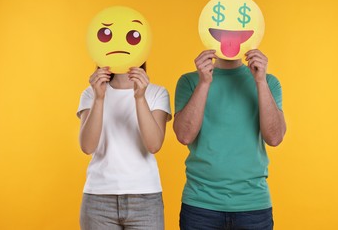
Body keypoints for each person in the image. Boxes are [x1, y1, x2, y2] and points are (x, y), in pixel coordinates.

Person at [173, 49, 286, 230]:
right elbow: (184, 135)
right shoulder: (189, 81)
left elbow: (274, 137)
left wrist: (260, 82)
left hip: (253, 205)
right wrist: (204, 83)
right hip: (200, 205)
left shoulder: (269, 82)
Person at [77, 63, 171, 230]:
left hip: (145, 198)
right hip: (98, 199)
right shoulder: (90, 93)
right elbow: (87, 146)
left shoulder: (157, 92)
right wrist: (99, 98)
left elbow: (154, 145)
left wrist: (139, 97)